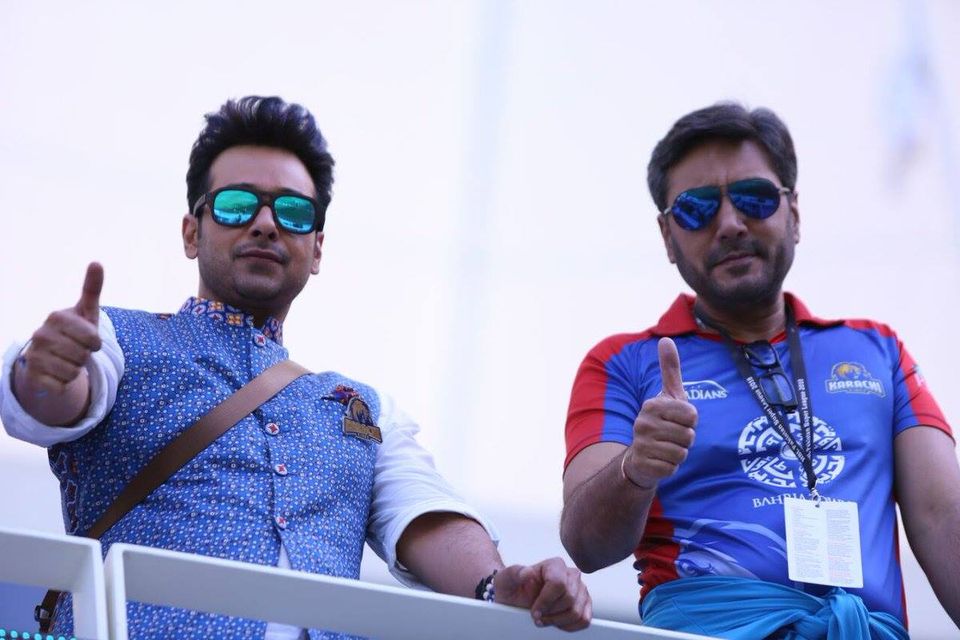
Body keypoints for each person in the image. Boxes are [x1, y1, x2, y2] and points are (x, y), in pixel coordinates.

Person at [0, 95, 591, 640]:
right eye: (236, 205)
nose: (265, 223)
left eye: (292, 212)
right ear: (191, 232)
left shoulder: (361, 408)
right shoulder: (116, 338)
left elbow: (423, 512)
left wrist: (495, 586)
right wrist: (45, 375)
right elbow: (57, 397)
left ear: (317, 250)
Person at [559, 103, 960, 639]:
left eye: (754, 197)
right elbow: (585, 545)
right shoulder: (622, 363)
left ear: (794, 213)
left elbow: (943, 515)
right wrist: (637, 467)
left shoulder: (878, 351)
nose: (729, 224)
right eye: (697, 209)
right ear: (667, 236)